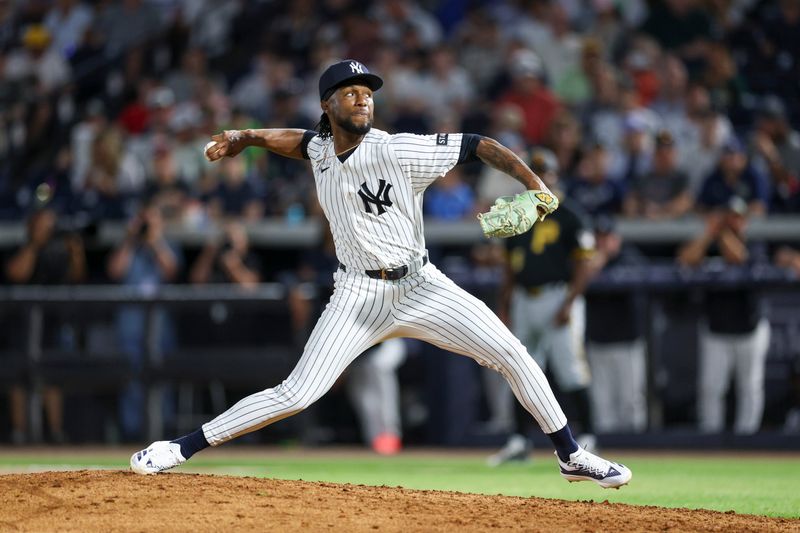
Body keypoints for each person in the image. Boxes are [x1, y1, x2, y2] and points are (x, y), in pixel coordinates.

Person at [130, 59, 631, 488]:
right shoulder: (322, 150)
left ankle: (571, 455)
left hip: (421, 285)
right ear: (328, 105)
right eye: (350, 93)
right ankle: (179, 448)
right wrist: (248, 138)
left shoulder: (396, 149)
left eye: (367, 93)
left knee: (511, 353)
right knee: (297, 394)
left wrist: (537, 186)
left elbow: (479, 144)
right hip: (357, 293)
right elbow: (297, 142)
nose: (363, 100)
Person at [486, 148, 597, 466]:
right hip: (524, 297)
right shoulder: (517, 215)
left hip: (557, 295)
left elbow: (585, 264)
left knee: (570, 370)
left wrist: (570, 302)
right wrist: (504, 306)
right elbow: (508, 268)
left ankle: (588, 436)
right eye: (533, 174)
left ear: (553, 176)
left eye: (543, 173)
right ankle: (519, 441)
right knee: (520, 371)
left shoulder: (569, 213)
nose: (537, 180)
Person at [677, 197, 771, 434]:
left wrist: (722, 233)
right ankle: (711, 439)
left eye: (737, 217)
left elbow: (740, 258)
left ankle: (747, 439)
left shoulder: (756, 243)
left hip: (749, 329)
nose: (732, 221)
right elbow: (685, 259)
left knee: (749, 387)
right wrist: (710, 233)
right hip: (716, 328)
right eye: (728, 216)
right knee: (711, 388)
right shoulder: (710, 243)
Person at [4, 207, 86, 444]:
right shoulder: (20, 247)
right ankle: (19, 433)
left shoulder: (59, 251)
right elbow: (16, 274)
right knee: (18, 378)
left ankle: (56, 433)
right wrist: (35, 243)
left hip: (51, 323)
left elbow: (77, 278)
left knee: (53, 377)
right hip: (20, 323)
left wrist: (76, 252)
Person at [585, 216, 649, 433]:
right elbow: (579, 280)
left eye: (608, 238)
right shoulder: (586, 260)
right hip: (598, 342)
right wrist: (598, 259)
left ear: (617, 239)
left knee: (631, 401)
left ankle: (637, 449)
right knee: (602, 403)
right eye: (599, 238)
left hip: (627, 343)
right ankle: (605, 454)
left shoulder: (630, 257)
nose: (603, 243)